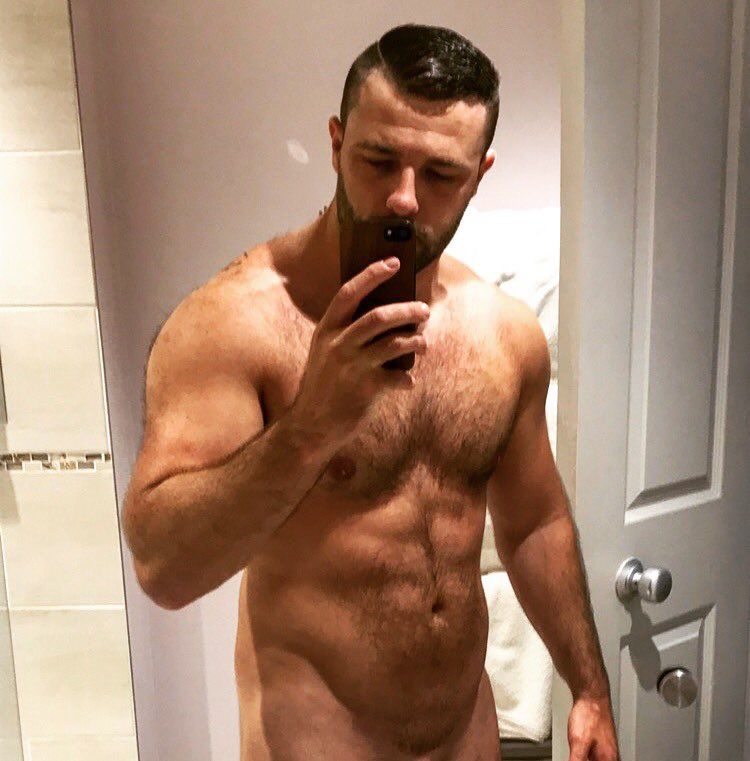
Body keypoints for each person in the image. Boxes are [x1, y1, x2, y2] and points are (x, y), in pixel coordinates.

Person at [122, 23, 620, 761]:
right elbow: (163, 567)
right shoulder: (231, 326)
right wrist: (311, 427)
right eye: (379, 159)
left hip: (465, 738)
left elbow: (535, 522)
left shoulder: (505, 333)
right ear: (335, 142)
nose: (403, 199)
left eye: (441, 173)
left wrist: (590, 687)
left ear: (479, 174)